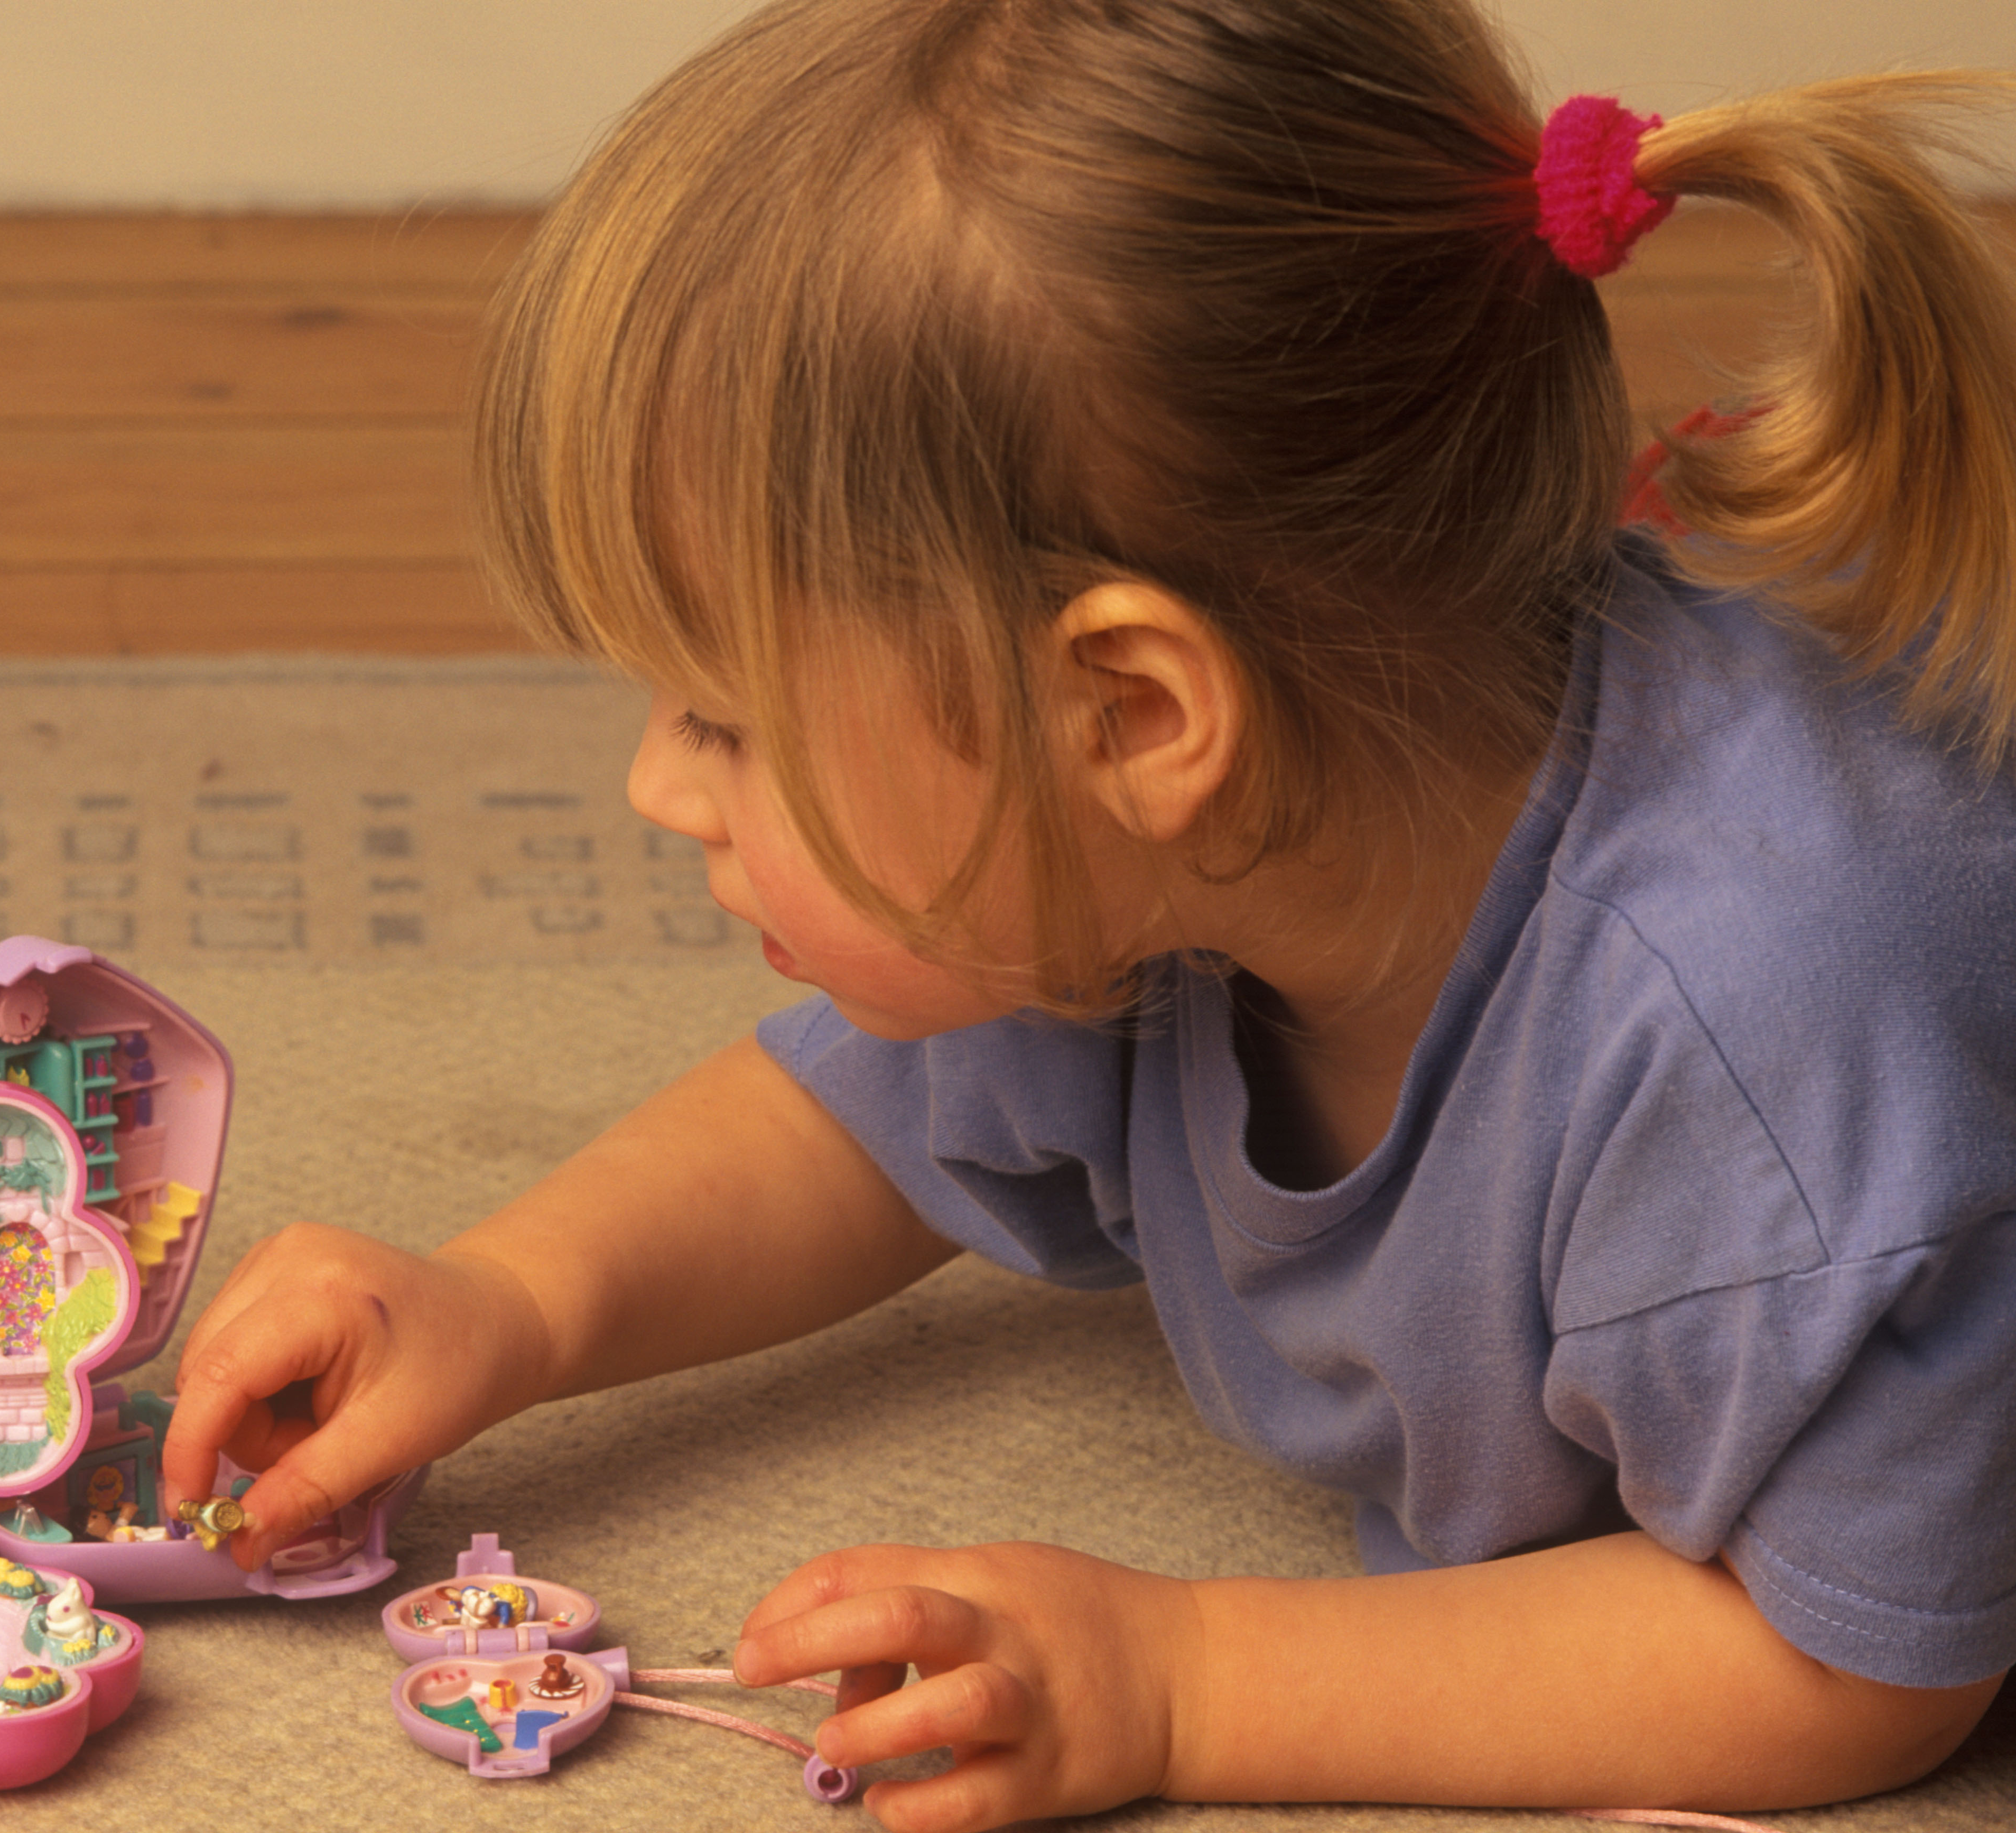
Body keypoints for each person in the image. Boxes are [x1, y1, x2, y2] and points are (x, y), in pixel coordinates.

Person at [163, 1, 2016, 1825]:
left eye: (722, 718)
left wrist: (1182, 1678)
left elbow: (1847, 1667)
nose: (656, 788)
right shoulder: (1191, 835)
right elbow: (861, 1122)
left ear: (1129, 711)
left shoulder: (1750, 1053)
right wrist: (512, 1295)